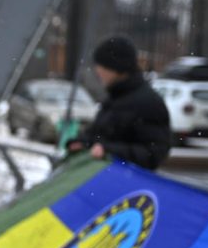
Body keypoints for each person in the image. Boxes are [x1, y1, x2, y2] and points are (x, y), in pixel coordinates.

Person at [67, 35, 170, 170]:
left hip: (127, 185)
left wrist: (108, 150)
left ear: (117, 68)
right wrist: (83, 143)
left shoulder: (148, 103)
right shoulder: (114, 98)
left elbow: (154, 153)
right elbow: (100, 135)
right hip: (104, 177)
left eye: (102, 65)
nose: (98, 71)